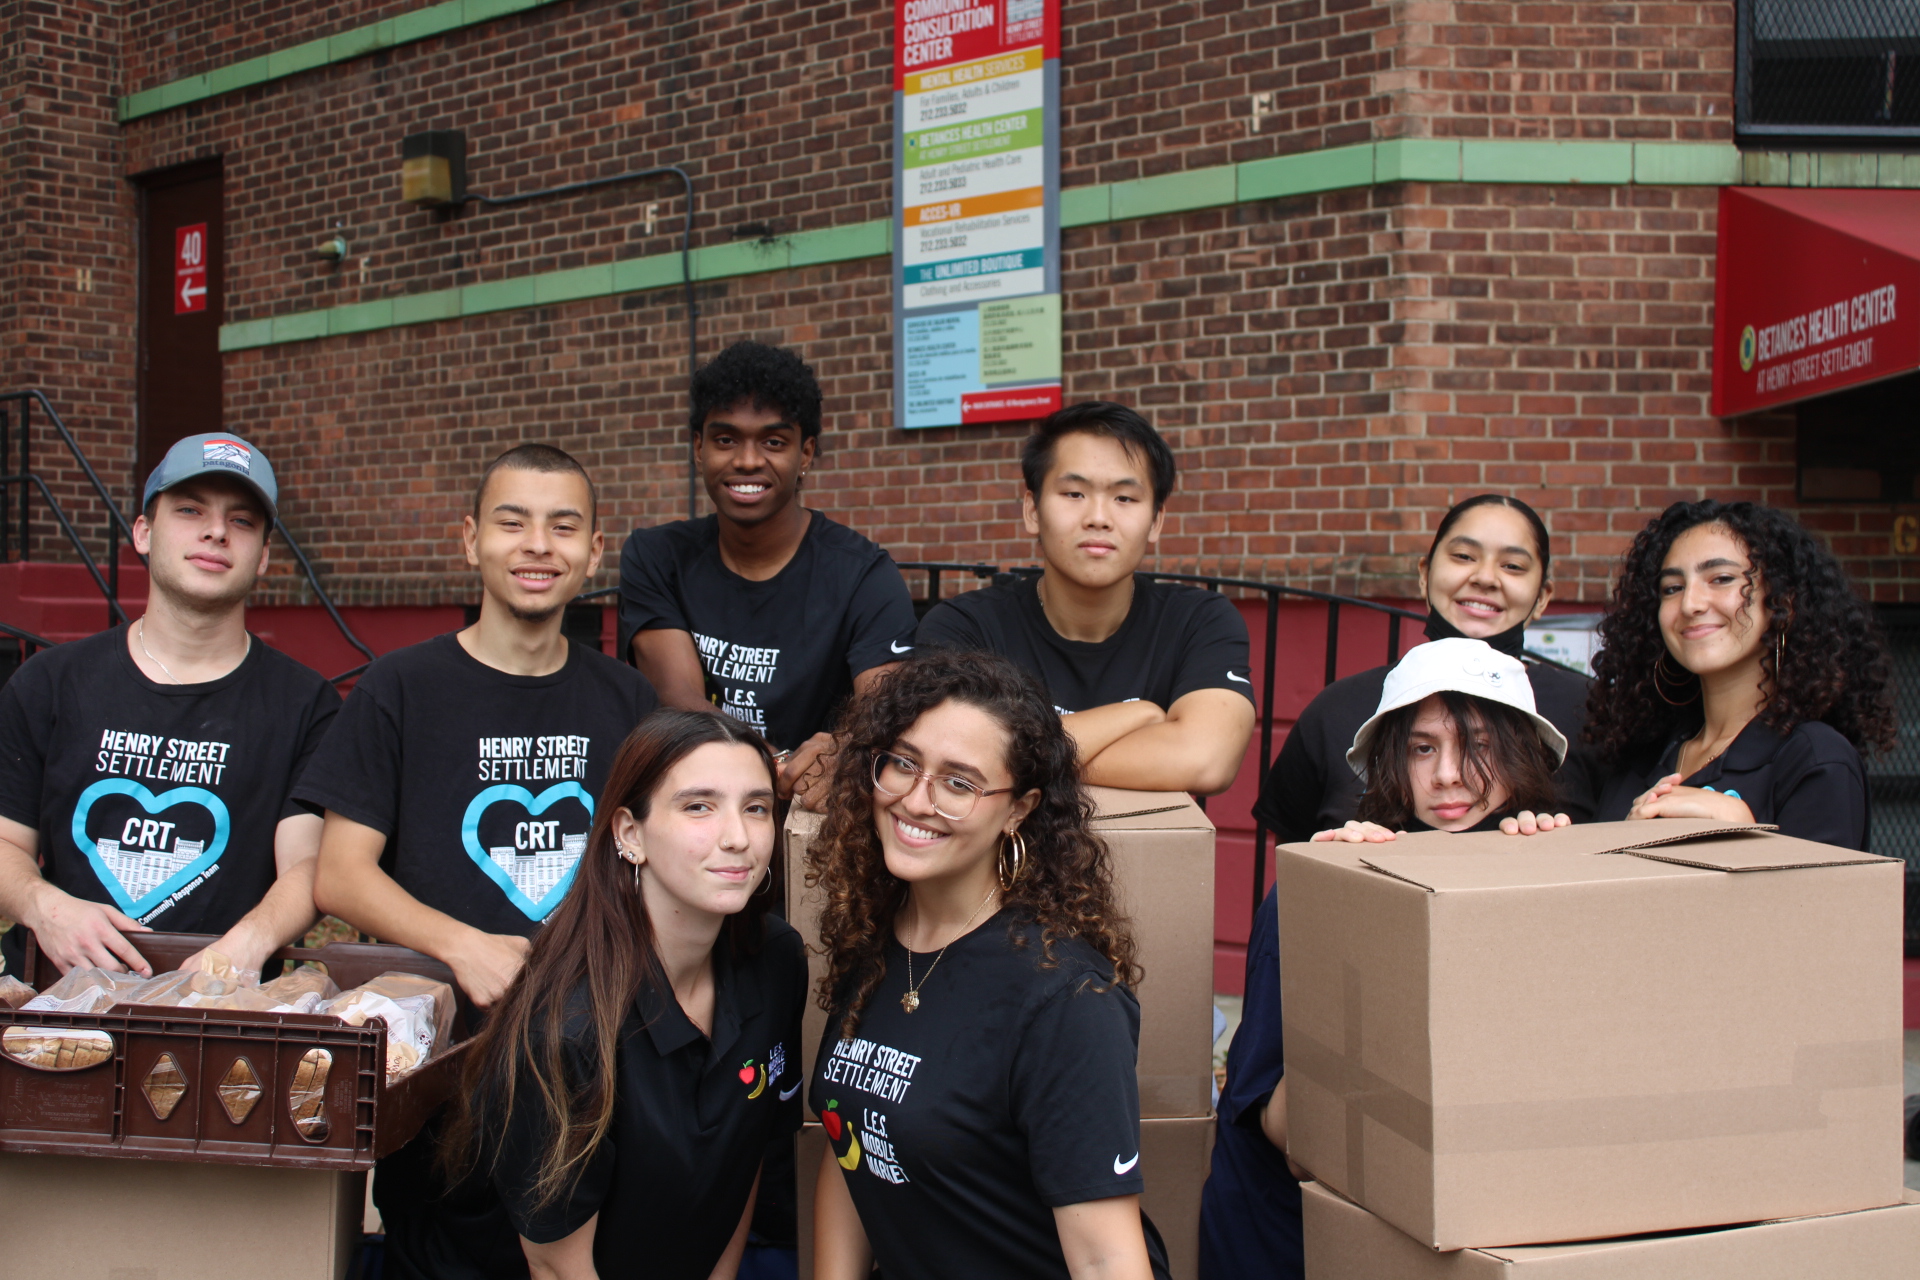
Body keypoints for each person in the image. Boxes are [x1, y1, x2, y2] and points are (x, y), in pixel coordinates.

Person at [297, 443, 657, 1280]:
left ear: (594, 553)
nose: (539, 545)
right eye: (512, 522)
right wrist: (467, 946)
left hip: (594, 1066)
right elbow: (340, 875)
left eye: (564, 527)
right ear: (470, 541)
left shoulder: (626, 700)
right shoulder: (400, 688)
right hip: (447, 1074)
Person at [1199, 639, 1569, 1280]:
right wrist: (1349, 918)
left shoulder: (1553, 872)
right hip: (1294, 1240)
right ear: (1392, 759)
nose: (1448, 775)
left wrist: (1560, 888)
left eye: (1479, 746)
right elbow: (1282, 1127)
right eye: (1424, 748)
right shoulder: (1318, 891)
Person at [808, 649, 1171, 1280]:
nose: (916, 801)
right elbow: (855, 1145)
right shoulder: (873, 938)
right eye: (903, 764)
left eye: (960, 782)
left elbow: (1107, 1260)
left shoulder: (1065, 998)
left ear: (1019, 810)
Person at [441, 709, 804, 1280]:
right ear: (629, 834)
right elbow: (558, 1269)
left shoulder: (776, 960)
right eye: (698, 807)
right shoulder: (567, 1028)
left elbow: (743, 1154)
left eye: (756, 807)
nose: (738, 838)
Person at [0, 432, 338, 979]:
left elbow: (307, 863)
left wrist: (246, 945)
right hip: (53, 1006)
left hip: (219, 1015)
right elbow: (5, 841)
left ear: (264, 558)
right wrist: (47, 910)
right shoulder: (50, 683)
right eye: (189, 509)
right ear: (143, 531)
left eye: (243, 521)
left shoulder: (305, 705)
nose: (216, 531)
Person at [620, 341, 919, 806]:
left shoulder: (863, 574)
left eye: (774, 442)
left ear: (806, 454)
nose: (747, 460)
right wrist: (772, 761)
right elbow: (676, 695)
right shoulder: (656, 556)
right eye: (726, 439)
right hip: (699, 802)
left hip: (817, 811)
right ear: (698, 448)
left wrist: (843, 750)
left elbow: (885, 708)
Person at [916, 402, 1254, 794]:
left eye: (1124, 498)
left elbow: (1205, 761)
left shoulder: (1198, 621)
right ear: (1032, 510)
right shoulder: (965, 627)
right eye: (1074, 493)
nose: (1098, 517)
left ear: (1156, 520)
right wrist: (1137, 714)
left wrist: (1015, 756)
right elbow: (949, 752)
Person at [1255, 493, 1594, 846]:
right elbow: (1292, 850)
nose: (1485, 577)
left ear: (1542, 596)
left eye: (1512, 566)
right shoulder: (1336, 708)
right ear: (1424, 574)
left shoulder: (1591, 710)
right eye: (1464, 556)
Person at [1587, 500, 1894, 850]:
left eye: (1721, 579)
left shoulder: (1816, 758)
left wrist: (1745, 835)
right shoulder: (1641, 757)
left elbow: (1825, 903)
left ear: (1784, 604)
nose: (1691, 604)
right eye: (1672, 587)